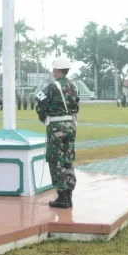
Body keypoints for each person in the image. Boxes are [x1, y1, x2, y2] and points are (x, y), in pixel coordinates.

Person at [35, 56, 79, 209]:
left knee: (56, 160)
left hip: (56, 126)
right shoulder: (74, 86)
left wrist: (43, 117)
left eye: (54, 69)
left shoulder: (53, 86)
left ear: (58, 70)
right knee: (67, 159)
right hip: (71, 125)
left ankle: (62, 197)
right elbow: (76, 105)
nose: (53, 72)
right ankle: (69, 194)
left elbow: (39, 101)